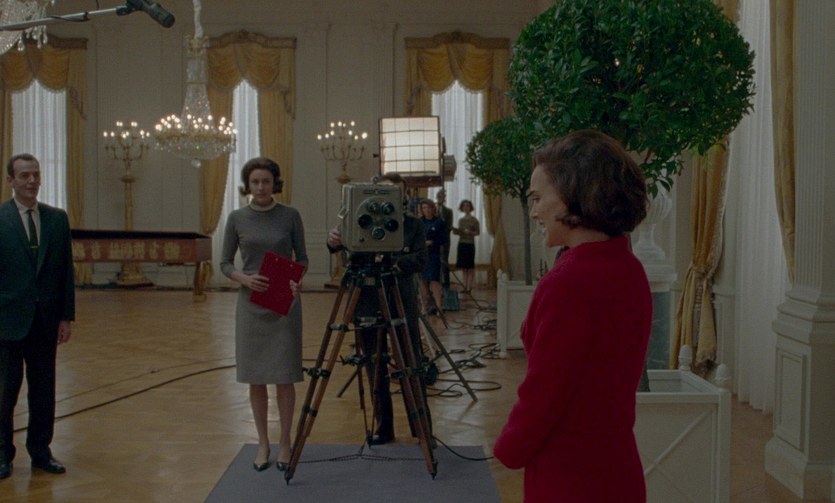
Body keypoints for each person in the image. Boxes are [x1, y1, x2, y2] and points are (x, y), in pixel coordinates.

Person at [493, 130, 652, 502]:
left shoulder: (569, 281)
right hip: (617, 464)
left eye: (537, 198)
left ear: (572, 194)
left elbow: (545, 391)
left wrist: (509, 447)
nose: (534, 212)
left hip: (570, 474)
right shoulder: (628, 267)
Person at [220, 157, 308, 472]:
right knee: (255, 378)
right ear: (248, 185)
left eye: (266, 182)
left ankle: (285, 441)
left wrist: (297, 280)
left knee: (284, 376)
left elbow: (303, 258)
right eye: (255, 182)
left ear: (275, 184)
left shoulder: (290, 216)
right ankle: (262, 442)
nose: (260, 187)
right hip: (251, 305)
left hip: (284, 304)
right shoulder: (236, 218)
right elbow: (224, 263)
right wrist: (244, 279)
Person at [326, 194, 429, 445]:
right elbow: (338, 244)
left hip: (400, 297)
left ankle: (422, 429)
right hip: (366, 298)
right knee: (373, 362)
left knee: (411, 360)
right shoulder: (358, 216)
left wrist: (392, 262)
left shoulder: (413, 224)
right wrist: (333, 240)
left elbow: (420, 259)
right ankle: (384, 428)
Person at [0, 154, 75, 480]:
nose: (32, 181)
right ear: (11, 180)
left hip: (45, 321)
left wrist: (66, 317)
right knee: (5, 393)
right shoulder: (1, 218)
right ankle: (3, 455)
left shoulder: (56, 219)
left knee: (44, 391)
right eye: (24, 175)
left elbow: (65, 272)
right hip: (8, 321)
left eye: (36, 175)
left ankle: (41, 452)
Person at [418, 199, 447, 315]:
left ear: (433, 208)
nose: (427, 210)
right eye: (424, 208)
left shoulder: (439, 222)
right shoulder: (419, 222)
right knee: (422, 281)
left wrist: (432, 242)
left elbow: (444, 239)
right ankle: (424, 307)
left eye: (429, 208)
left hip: (434, 254)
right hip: (421, 255)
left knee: (434, 280)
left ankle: (439, 306)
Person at [453, 199, 480, 293]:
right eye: (464, 206)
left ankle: (469, 287)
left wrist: (470, 232)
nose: (465, 207)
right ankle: (464, 286)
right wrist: (457, 232)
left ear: (470, 207)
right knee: (464, 267)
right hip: (462, 244)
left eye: (467, 205)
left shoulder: (474, 220)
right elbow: (460, 232)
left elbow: (477, 232)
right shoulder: (461, 220)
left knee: (470, 267)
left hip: (470, 244)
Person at [435, 189, 454, 288]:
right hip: (434, 240)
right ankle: (435, 283)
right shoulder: (432, 209)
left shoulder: (449, 211)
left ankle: (446, 284)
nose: (441, 198)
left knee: (444, 261)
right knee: (435, 261)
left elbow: (449, 226)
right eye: (439, 196)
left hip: (445, 240)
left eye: (443, 196)